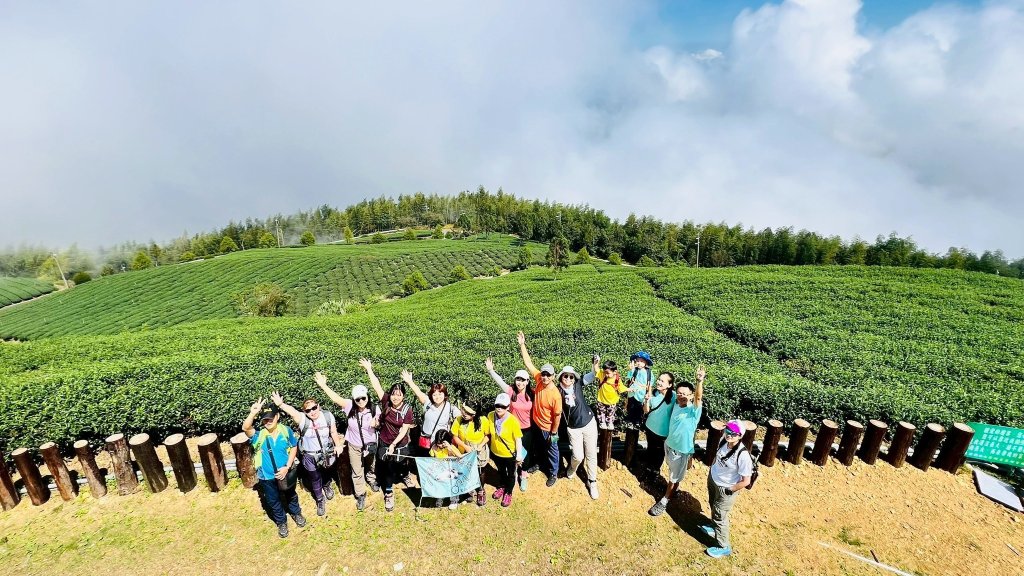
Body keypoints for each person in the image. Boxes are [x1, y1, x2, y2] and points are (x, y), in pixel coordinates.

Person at [314, 367, 380, 512]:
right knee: (357, 470)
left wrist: (377, 423)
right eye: (358, 399)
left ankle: (371, 479)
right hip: (354, 444)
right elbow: (335, 398)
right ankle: (361, 493)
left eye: (363, 398)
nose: (361, 401)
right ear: (353, 399)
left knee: (371, 465)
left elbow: (380, 422)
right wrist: (323, 385)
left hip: (371, 444)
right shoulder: (349, 406)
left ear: (367, 396)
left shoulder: (375, 408)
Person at [270, 390, 344, 517]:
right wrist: (281, 405)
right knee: (314, 477)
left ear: (318, 406)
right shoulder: (303, 419)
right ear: (305, 412)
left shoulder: (327, 416)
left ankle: (326, 485)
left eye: (314, 408)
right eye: (308, 410)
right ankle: (320, 499)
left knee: (326, 470)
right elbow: (293, 412)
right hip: (309, 455)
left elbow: (333, 432)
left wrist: (337, 445)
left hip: (326, 452)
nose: (312, 412)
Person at [242, 399, 306, 538]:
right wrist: (253, 413)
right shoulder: (259, 435)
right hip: (267, 476)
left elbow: (294, 446)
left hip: (285, 472)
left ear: (277, 417)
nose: (268, 422)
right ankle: (281, 521)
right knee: (273, 500)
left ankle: (296, 513)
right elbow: (246, 428)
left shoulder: (285, 431)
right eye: (265, 420)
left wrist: (287, 467)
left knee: (291, 495)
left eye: (271, 418)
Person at [359, 358, 415, 512]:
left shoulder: (407, 410)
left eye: (399, 395)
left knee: (403, 462)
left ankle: (405, 475)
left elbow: (404, 429)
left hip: (400, 442)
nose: (395, 397)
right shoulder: (386, 402)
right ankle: (389, 492)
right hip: (384, 441)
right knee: (388, 467)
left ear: (403, 396)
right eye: (393, 394)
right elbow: (376, 385)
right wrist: (369, 369)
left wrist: (394, 444)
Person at [648, 366, 705, 517]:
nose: (681, 396)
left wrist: (699, 381)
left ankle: (665, 500)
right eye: (679, 393)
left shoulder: (693, 410)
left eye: (685, 394)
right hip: (669, 444)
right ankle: (674, 487)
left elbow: (699, 398)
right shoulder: (675, 404)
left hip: (681, 450)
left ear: (691, 396)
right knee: (672, 471)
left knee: (673, 477)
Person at [517, 330, 563, 487]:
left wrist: (554, 432)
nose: (544, 377)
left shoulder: (555, 395)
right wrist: (522, 344)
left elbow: (557, 416)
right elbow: (528, 363)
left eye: (548, 375)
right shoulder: (538, 380)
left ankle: (553, 473)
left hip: (549, 428)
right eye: (543, 374)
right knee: (538, 447)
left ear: (553, 376)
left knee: (553, 449)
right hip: (536, 423)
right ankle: (538, 464)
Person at [703, 419, 753, 558]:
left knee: (720, 517)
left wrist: (730, 490)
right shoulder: (723, 440)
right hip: (714, 480)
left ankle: (723, 546)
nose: (729, 434)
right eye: (727, 430)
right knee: (713, 505)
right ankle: (714, 527)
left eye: (733, 432)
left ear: (740, 435)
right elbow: (717, 456)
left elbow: (745, 481)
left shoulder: (743, 456)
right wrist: (712, 470)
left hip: (727, 489)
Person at [485, 357, 534, 491]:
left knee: (524, 453)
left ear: (527, 381)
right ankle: (513, 472)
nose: (520, 382)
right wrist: (491, 371)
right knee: (512, 452)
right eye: (518, 379)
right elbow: (499, 381)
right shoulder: (510, 391)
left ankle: (523, 474)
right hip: (510, 428)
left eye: (523, 380)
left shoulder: (532, 394)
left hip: (526, 429)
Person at [556, 365, 600, 499]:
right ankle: (572, 468)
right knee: (578, 456)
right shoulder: (558, 391)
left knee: (591, 454)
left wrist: (595, 366)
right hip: (573, 428)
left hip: (589, 423)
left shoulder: (578, 384)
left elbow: (592, 375)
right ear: (561, 377)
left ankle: (592, 482)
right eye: (565, 376)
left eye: (571, 376)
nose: (568, 379)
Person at [400, 370, 460, 453]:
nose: (437, 397)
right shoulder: (428, 403)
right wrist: (410, 382)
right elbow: (418, 392)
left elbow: (461, 417)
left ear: (445, 394)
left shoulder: (450, 407)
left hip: (441, 444)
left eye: (440, 394)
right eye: (434, 395)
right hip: (426, 442)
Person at [587, 355, 628, 470]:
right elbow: (596, 369)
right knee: (601, 413)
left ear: (615, 372)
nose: (606, 374)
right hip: (601, 399)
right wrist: (596, 362)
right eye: (605, 372)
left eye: (608, 373)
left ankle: (609, 423)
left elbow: (621, 387)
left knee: (610, 414)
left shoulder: (616, 378)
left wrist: (629, 389)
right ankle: (602, 423)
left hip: (612, 401)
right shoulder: (602, 374)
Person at [450, 401, 494, 507]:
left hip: (479, 449)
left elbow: (487, 435)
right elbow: (454, 436)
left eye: (468, 413)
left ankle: (480, 490)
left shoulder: (483, 420)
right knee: (466, 470)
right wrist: (465, 447)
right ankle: (469, 489)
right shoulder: (459, 420)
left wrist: (481, 445)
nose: (464, 414)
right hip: (464, 449)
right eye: (464, 410)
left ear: (474, 414)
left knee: (480, 470)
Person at [487, 392, 524, 507]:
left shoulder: (513, 421)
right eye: (497, 405)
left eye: (503, 406)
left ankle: (508, 492)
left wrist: (519, 455)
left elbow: (518, 439)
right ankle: (502, 487)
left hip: (509, 454)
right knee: (501, 471)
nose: (499, 409)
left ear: (508, 407)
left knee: (511, 474)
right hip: (496, 452)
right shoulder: (490, 415)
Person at [641, 372, 676, 486]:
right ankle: (648, 470)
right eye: (659, 380)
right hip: (650, 427)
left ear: (670, 385)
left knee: (659, 453)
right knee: (650, 449)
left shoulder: (674, 396)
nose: (659, 382)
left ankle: (655, 472)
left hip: (663, 432)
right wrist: (646, 400)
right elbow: (646, 411)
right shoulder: (654, 393)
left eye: (662, 381)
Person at [623, 351, 654, 467]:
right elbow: (628, 383)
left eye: (641, 361)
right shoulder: (633, 371)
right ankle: (631, 423)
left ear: (646, 363)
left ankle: (636, 423)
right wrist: (630, 370)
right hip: (632, 395)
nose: (639, 363)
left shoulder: (649, 373)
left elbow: (650, 386)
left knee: (638, 413)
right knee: (631, 410)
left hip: (641, 397)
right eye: (638, 361)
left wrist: (649, 396)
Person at [429, 429, 463, 510]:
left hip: (451, 471)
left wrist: (449, 448)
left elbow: (460, 456)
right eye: (438, 443)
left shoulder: (451, 447)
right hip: (441, 471)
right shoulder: (434, 447)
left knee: (453, 485)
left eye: (442, 444)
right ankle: (440, 499)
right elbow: (432, 457)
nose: (440, 446)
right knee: (441, 485)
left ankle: (454, 501)